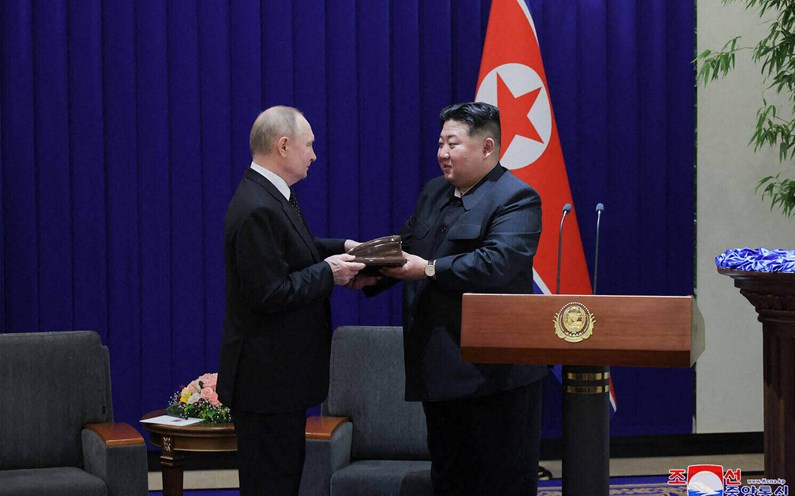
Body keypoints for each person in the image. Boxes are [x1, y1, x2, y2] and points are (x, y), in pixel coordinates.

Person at [368, 102, 547, 495]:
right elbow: (407, 247)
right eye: (440, 143)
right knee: (450, 478)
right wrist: (366, 270)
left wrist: (430, 269)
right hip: (439, 370)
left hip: (494, 376)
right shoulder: (434, 192)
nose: (443, 153)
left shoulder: (517, 198)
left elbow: (496, 263)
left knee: (500, 481)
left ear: (487, 147)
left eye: (453, 144)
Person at [216, 106, 364, 496]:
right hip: (266, 383)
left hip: (279, 381)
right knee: (272, 484)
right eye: (308, 145)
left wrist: (344, 248)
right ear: (283, 146)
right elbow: (270, 292)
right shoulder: (258, 207)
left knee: (283, 479)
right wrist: (330, 272)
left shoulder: (270, 195)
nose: (313, 155)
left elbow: (296, 250)